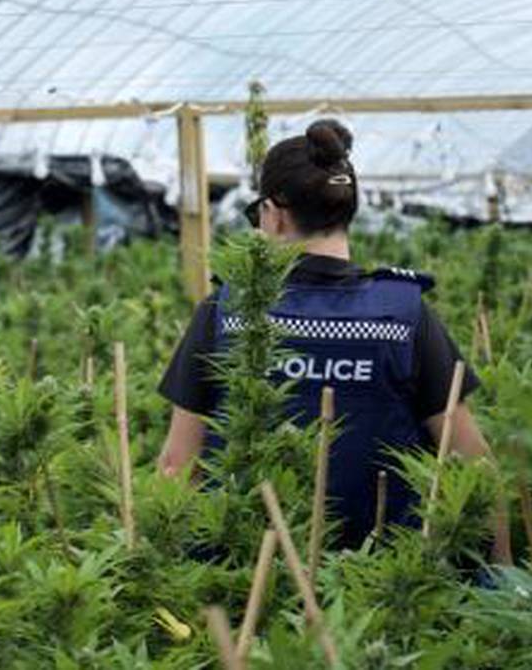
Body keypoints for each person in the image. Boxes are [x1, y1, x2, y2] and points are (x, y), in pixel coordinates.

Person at [157, 119, 511, 561]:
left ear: (274, 213)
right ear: (347, 212)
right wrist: (502, 586)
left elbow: (177, 467)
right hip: (387, 593)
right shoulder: (402, 315)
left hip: (248, 586)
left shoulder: (226, 312)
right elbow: (472, 464)